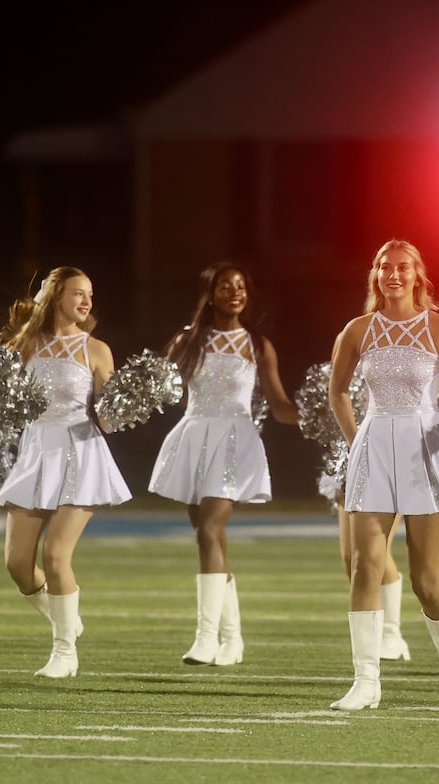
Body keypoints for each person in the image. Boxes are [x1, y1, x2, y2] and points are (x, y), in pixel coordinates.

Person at [328, 239, 439, 710]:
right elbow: (337, 392)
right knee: (366, 568)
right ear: (375, 275)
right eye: (384, 267)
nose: (393, 274)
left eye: (402, 268)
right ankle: (366, 683)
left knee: (425, 579)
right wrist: (357, 437)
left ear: (418, 276)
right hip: (375, 446)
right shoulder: (357, 331)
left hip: (427, 450)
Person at [149, 262, 299, 666]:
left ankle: (205, 638)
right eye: (225, 286)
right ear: (210, 293)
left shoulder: (257, 345)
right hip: (195, 436)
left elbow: (281, 405)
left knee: (210, 528)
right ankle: (233, 641)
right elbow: (159, 387)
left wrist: (318, 414)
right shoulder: (187, 341)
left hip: (235, 441)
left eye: (240, 286)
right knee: (208, 536)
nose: (235, 292)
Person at [0, 267, 132, 678]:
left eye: (90, 294)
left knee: (55, 556)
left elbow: (107, 419)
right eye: (78, 293)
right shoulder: (25, 344)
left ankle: (64, 652)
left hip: (81, 453)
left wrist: (125, 406)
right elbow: (0, 398)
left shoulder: (97, 349)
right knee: (18, 564)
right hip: (36, 451)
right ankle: (66, 617)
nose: (87, 301)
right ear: (55, 297)